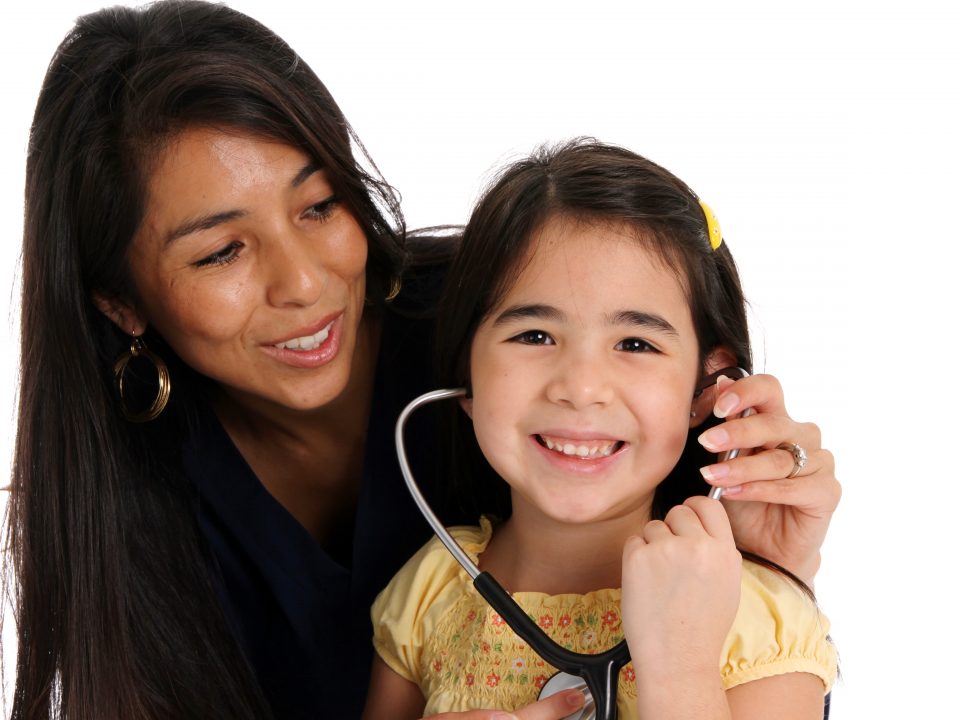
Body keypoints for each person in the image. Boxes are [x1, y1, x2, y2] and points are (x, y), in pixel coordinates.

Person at [7, 0, 839, 717]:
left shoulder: (504, 303)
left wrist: (771, 559)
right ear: (120, 302)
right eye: (222, 251)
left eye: (322, 204)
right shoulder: (425, 594)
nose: (305, 282)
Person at [363, 140, 838, 719]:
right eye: (534, 336)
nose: (581, 386)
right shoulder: (426, 594)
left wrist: (680, 664)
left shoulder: (755, 613)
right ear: (467, 375)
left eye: (636, 343)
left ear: (706, 390)